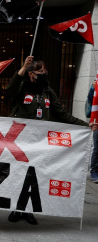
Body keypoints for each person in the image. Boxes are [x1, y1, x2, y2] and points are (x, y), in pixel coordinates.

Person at [7, 55, 97, 225]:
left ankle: (29, 210)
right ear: (31, 74)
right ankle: (16, 208)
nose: (44, 73)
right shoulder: (22, 88)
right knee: (19, 174)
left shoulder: (48, 91)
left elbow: (62, 114)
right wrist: (23, 68)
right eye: (40, 71)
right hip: (21, 141)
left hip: (40, 142)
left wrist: (86, 125)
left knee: (34, 176)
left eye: (45, 70)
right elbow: (10, 89)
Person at [86, 81, 98, 183]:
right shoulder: (96, 85)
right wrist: (93, 88)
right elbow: (91, 99)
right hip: (97, 122)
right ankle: (94, 171)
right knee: (96, 147)